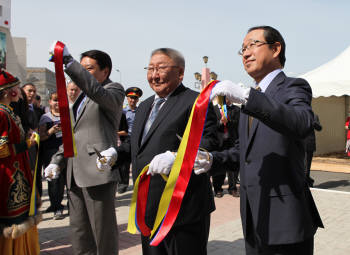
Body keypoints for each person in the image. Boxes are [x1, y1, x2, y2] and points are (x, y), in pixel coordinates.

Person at [204, 26, 324, 254]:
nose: (246, 53)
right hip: (254, 218)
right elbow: (244, 153)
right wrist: (211, 160)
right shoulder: (251, 99)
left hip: (286, 222)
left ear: (275, 48)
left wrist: (248, 98)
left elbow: (301, 122)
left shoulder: (292, 87)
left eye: (252, 45)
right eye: (242, 49)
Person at [126, 48, 217, 254]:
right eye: (150, 68)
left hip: (184, 208)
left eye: (161, 68)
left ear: (180, 73)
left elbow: (209, 142)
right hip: (148, 206)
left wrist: (177, 157)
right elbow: (136, 144)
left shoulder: (196, 102)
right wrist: (115, 153)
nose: (154, 75)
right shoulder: (145, 106)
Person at [44, 44, 125, 255]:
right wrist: (56, 160)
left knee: (102, 235)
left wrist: (69, 65)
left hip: (97, 173)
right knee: (80, 234)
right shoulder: (80, 98)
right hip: (74, 174)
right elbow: (72, 136)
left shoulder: (113, 90)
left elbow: (95, 90)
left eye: (88, 68)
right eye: (81, 67)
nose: (83, 72)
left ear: (105, 71)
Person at [0, 70, 40, 255]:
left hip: (17, 171)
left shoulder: (8, 112)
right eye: (16, 87)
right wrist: (27, 144)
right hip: (9, 175)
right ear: (9, 92)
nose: (20, 91)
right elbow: (2, 149)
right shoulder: (2, 114)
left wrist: (27, 136)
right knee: (12, 221)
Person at [39, 92, 65, 219]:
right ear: (49, 102)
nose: (57, 103)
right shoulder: (45, 118)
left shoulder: (67, 115)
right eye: (55, 100)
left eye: (60, 100)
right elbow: (41, 137)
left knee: (66, 180)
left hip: (66, 151)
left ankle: (69, 206)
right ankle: (56, 206)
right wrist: (51, 131)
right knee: (54, 181)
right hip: (50, 152)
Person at [211, 98, 240, 198]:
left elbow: (238, 124)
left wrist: (229, 121)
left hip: (232, 141)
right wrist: (220, 122)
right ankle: (218, 188)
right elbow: (211, 125)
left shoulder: (236, 109)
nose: (227, 99)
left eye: (229, 97)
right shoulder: (214, 109)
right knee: (219, 164)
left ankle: (233, 188)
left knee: (233, 166)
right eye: (224, 97)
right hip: (219, 142)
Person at [304, 114, 322, 187]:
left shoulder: (314, 116)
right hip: (299, 144)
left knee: (307, 166)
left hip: (309, 144)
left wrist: (315, 124)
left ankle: (307, 181)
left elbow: (319, 128)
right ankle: (307, 181)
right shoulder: (299, 115)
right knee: (302, 166)